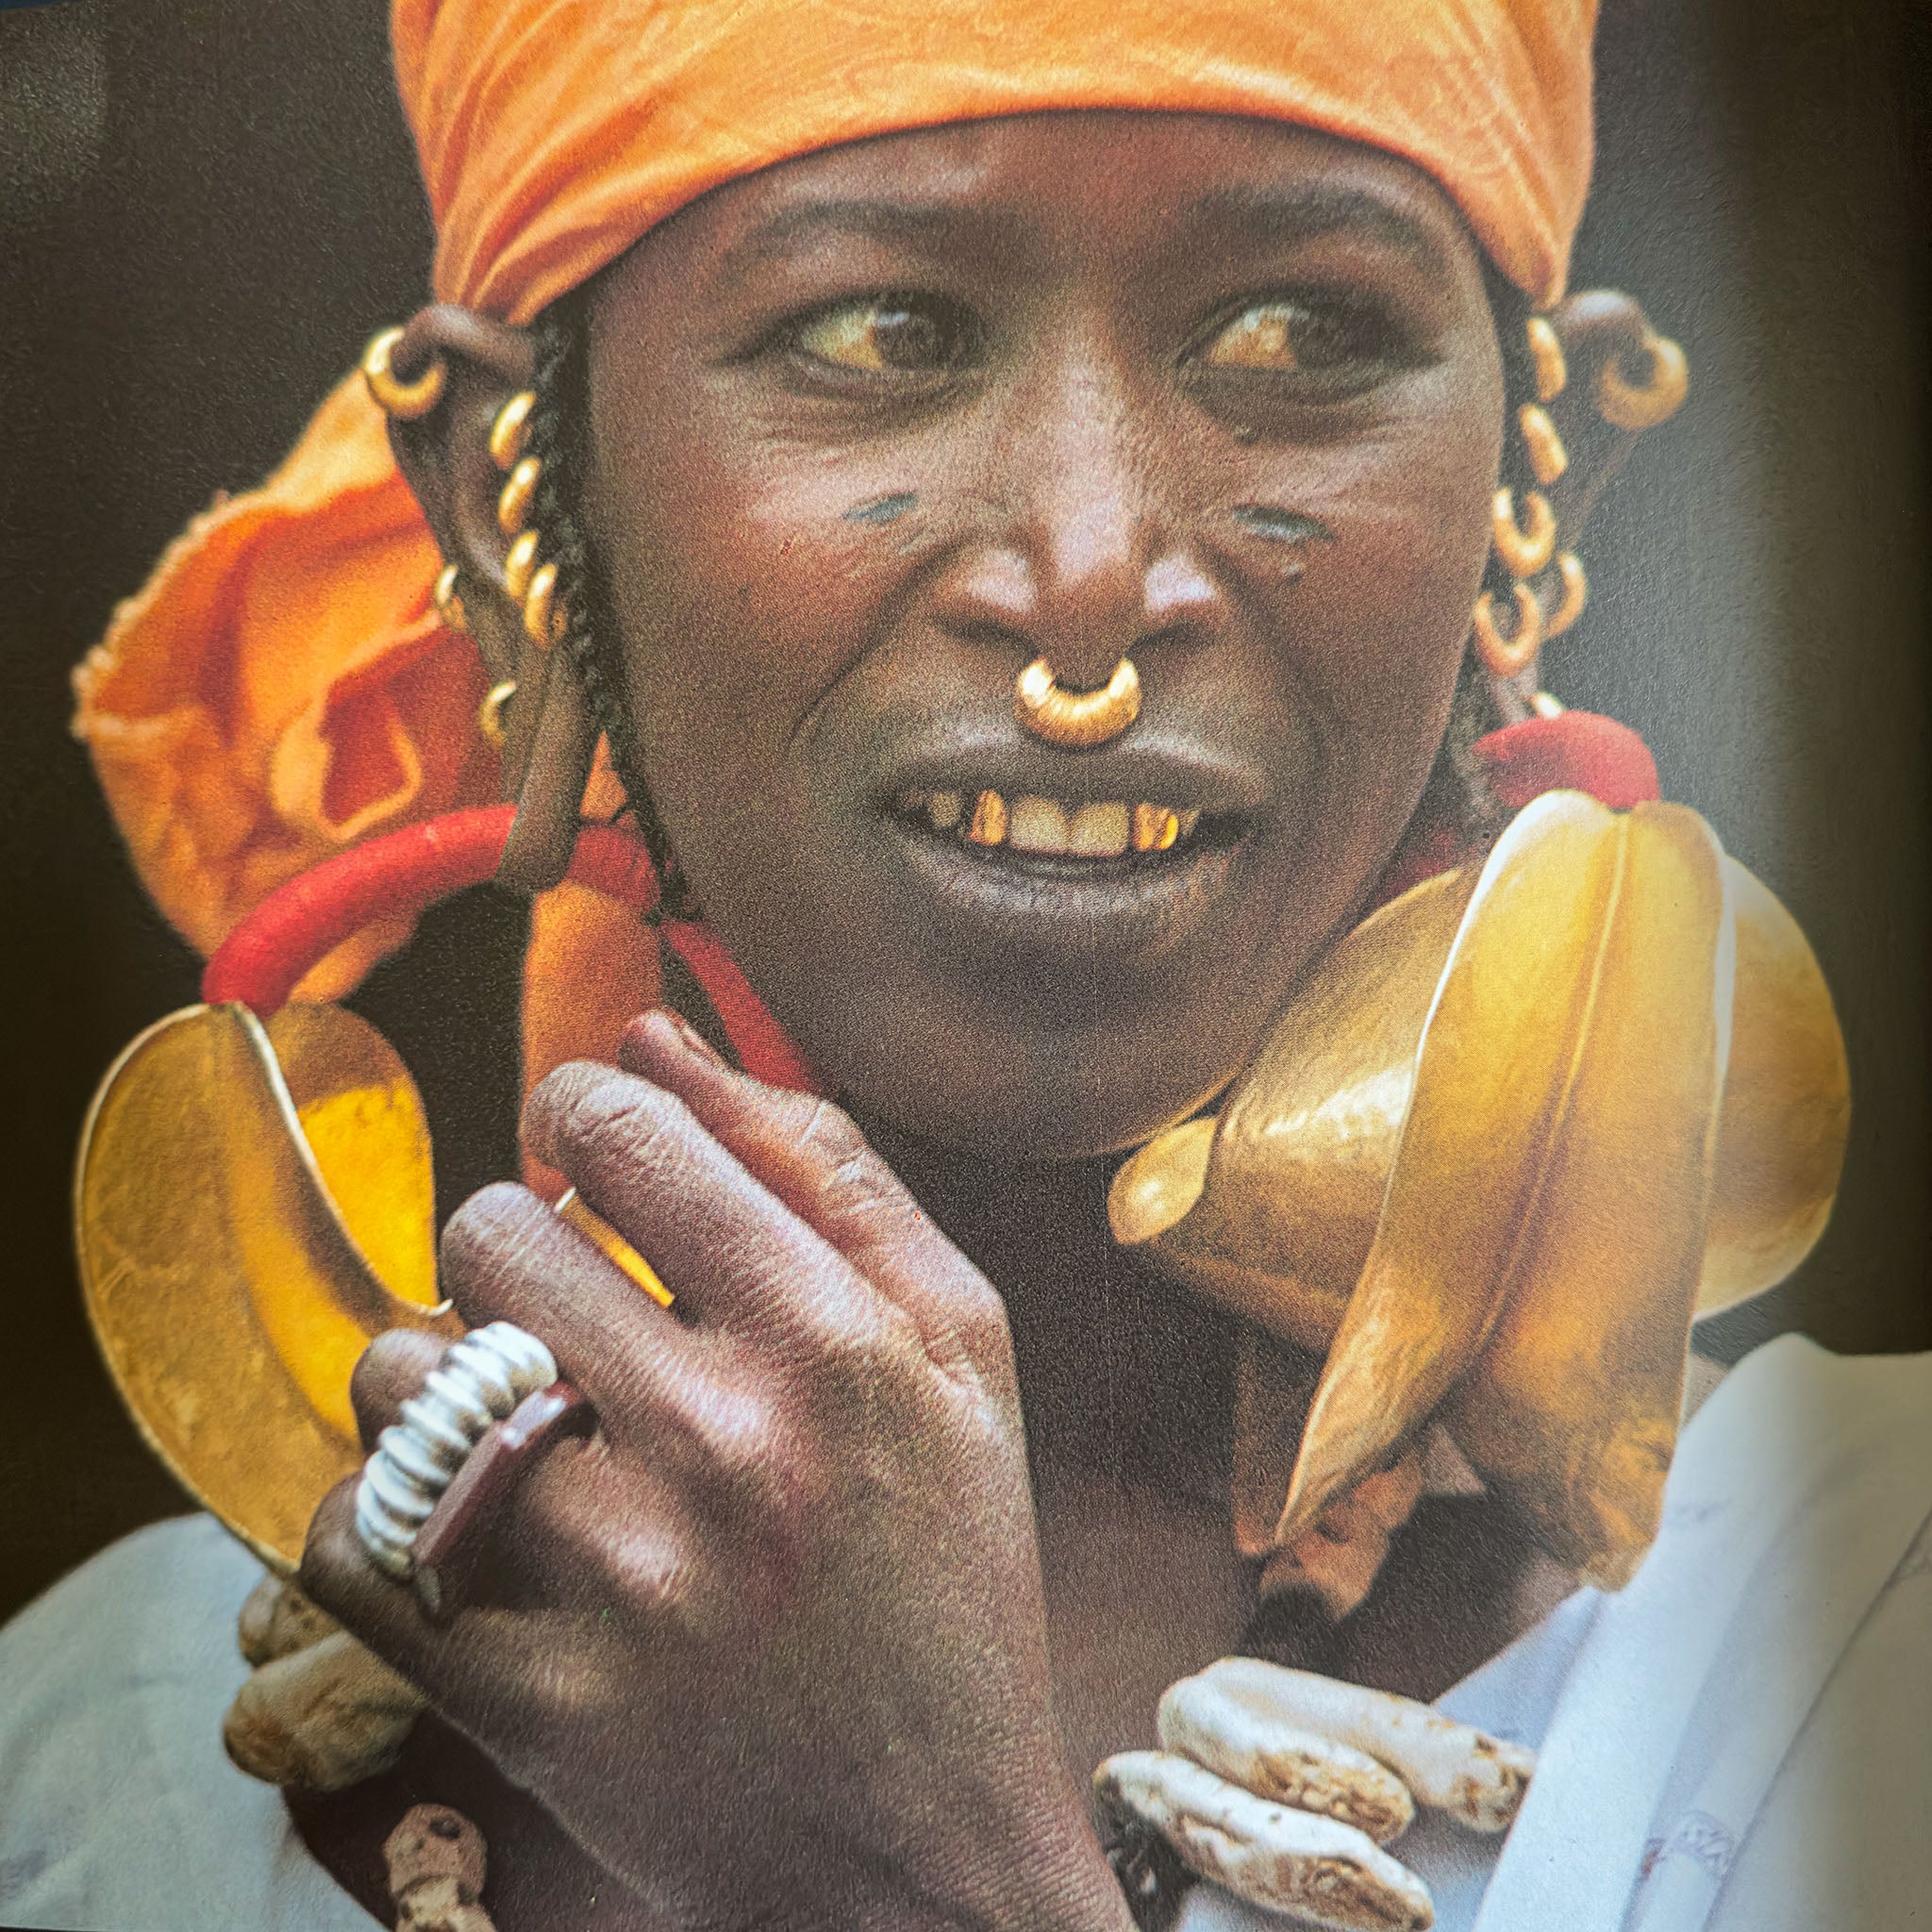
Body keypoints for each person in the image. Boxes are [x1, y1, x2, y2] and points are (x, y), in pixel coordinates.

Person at [2, 2, 1926, 1929]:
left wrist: (905, 1873)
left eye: (1297, 334)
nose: (1088, 574)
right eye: (879, 333)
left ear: (1536, 479)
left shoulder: (1856, 1654)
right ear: (510, 507)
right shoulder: (97, 1765)